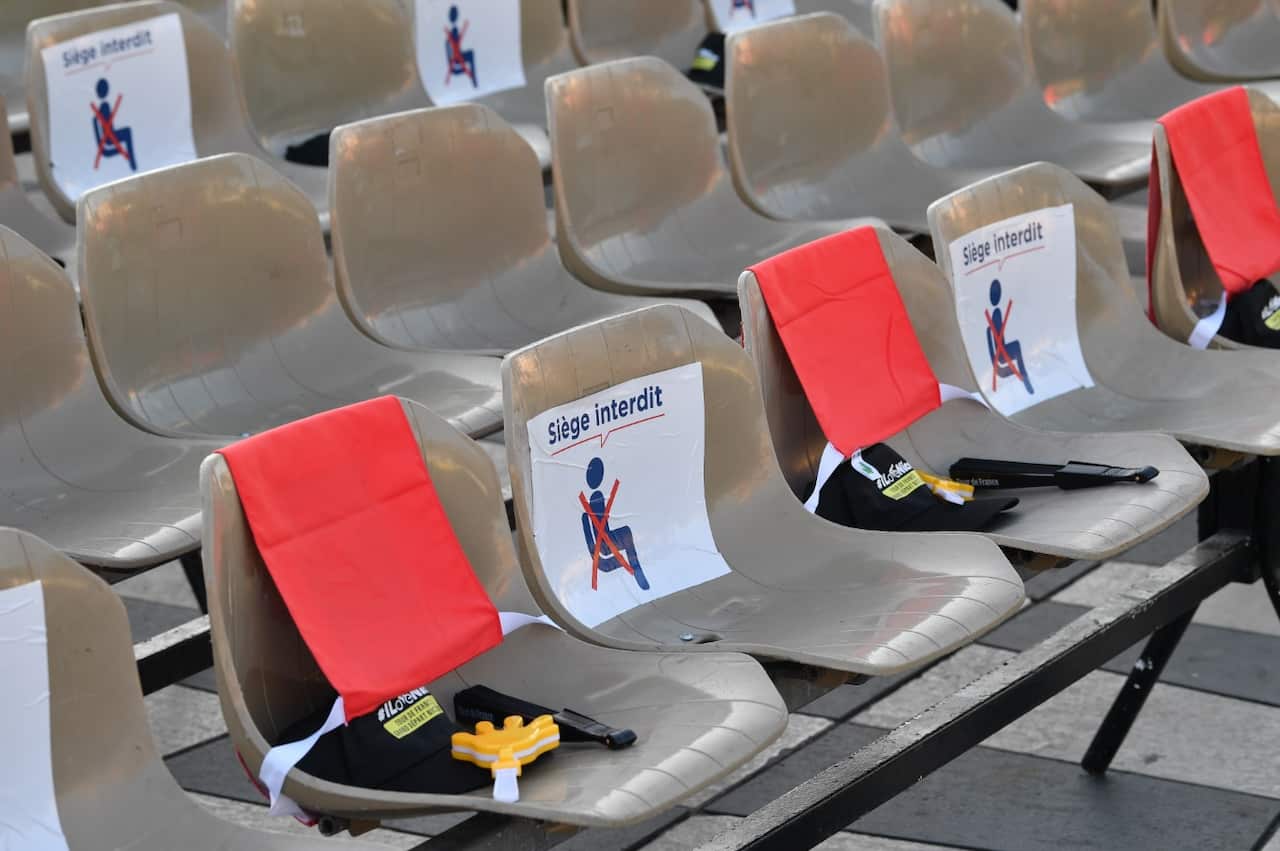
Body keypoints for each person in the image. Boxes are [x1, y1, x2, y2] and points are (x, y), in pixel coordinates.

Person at [580, 457, 649, 591]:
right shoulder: (594, 501)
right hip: (603, 556)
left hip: (600, 555)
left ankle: (634, 567)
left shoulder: (590, 505)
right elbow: (590, 534)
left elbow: (588, 535)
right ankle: (634, 566)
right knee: (626, 532)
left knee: (625, 532)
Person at [986, 278, 1033, 394]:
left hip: (1000, 352)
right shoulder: (995, 315)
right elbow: (991, 342)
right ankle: (1023, 373)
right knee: (1016, 346)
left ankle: (1022, 373)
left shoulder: (996, 313)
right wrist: (994, 359)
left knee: (1017, 345)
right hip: (1001, 354)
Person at [92, 78, 136, 171]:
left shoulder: (103, 106)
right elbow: (106, 125)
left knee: (127, 131)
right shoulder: (104, 106)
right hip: (109, 138)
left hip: (109, 136)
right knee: (127, 132)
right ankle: (132, 160)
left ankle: (131, 159)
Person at [444, 5, 478, 87]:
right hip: (455, 66)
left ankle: (474, 79)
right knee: (471, 54)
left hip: (455, 64)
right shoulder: (453, 33)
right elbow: (455, 54)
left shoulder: (452, 32)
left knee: (470, 53)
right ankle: (474, 80)